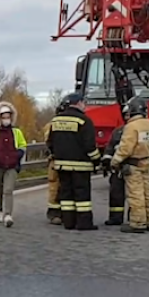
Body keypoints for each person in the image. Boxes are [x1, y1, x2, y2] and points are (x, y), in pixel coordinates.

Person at [45, 92, 101, 230]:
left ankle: (69, 222)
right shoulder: (84, 121)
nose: (84, 106)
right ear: (79, 103)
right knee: (82, 196)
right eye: (83, 103)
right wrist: (97, 160)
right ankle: (84, 223)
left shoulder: (56, 120)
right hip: (81, 166)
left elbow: (50, 143)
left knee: (66, 195)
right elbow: (90, 145)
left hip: (61, 165)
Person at [109, 95, 149, 233]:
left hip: (133, 164)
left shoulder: (132, 127)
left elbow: (125, 148)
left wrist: (115, 161)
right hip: (146, 162)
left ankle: (137, 223)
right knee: (148, 194)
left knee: (135, 194)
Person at [102, 120, 127, 226]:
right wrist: (106, 161)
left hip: (134, 167)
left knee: (135, 196)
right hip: (118, 167)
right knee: (116, 193)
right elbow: (110, 146)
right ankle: (115, 217)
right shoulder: (118, 131)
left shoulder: (141, 129)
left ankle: (136, 219)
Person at [41, 118, 62, 225]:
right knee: (54, 187)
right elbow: (48, 142)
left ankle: (60, 213)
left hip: (59, 160)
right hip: (55, 161)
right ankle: (54, 213)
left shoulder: (52, 124)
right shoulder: (52, 125)